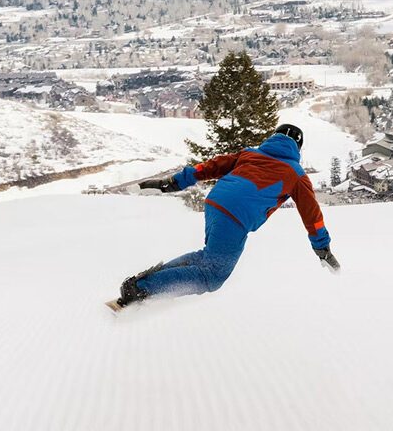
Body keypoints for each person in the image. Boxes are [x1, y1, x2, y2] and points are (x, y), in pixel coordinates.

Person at [112, 123, 339, 309]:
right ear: (298, 149)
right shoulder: (296, 174)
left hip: (216, 201)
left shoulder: (250, 154)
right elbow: (312, 216)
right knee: (213, 275)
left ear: (273, 137)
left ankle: (146, 281)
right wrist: (322, 248)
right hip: (236, 214)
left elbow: (209, 167)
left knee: (206, 257)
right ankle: (143, 289)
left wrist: (170, 184)